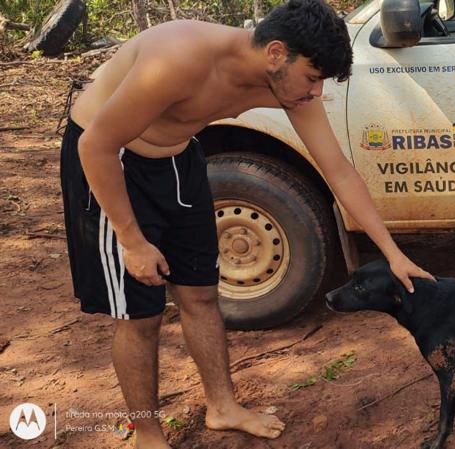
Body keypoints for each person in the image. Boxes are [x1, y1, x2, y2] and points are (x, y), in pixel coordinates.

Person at [59, 1, 433, 447]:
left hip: (179, 160)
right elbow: (96, 145)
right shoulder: (179, 58)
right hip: (111, 164)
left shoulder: (290, 86)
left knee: (200, 294)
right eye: (313, 78)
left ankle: (223, 407)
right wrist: (131, 239)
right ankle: (147, 433)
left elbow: (339, 170)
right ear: (276, 53)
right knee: (141, 314)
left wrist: (393, 254)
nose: (316, 93)